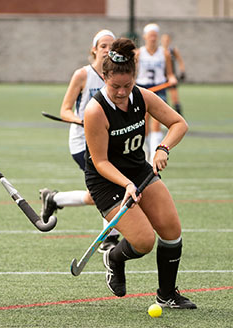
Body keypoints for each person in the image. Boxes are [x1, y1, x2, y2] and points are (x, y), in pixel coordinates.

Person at [84, 37, 196, 309]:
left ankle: (167, 294)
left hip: (139, 171)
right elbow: (100, 162)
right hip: (107, 181)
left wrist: (162, 148)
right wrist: (126, 185)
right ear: (104, 77)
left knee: (171, 231)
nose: (122, 93)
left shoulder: (142, 96)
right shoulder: (95, 111)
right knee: (144, 241)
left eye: (127, 85)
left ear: (134, 76)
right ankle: (114, 258)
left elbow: (179, 124)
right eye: (115, 87)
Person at [39, 29, 120, 251]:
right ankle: (110, 238)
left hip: (108, 141)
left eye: (111, 46)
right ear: (94, 49)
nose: (107, 50)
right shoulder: (83, 75)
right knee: (110, 187)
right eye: (103, 46)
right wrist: (79, 120)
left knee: (102, 193)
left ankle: (55, 199)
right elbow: (65, 109)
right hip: (81, 142)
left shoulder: (116, 76)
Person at [135, 23, 177, 163]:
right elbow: (134, 74)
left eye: (154, 35)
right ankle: (145, 152)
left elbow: (169, 73)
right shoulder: (139, 53)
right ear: (145, 36)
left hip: (159, 88)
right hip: (143, 88)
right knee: (144, 122)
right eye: (150, 35)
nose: (152, 38)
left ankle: (154, 154)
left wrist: (172, 79)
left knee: (157, 122)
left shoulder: (164, 53)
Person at [161, 33, 186, 116]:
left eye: (167, 40)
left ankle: (180, 117)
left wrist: (182, 71)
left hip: (171, 77)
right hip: (161, 78)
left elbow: (180, 61)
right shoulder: (159, 51)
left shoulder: (173, 50)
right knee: (162, 100)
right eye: (164, 40)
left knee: (175, 99)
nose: (165, 42)